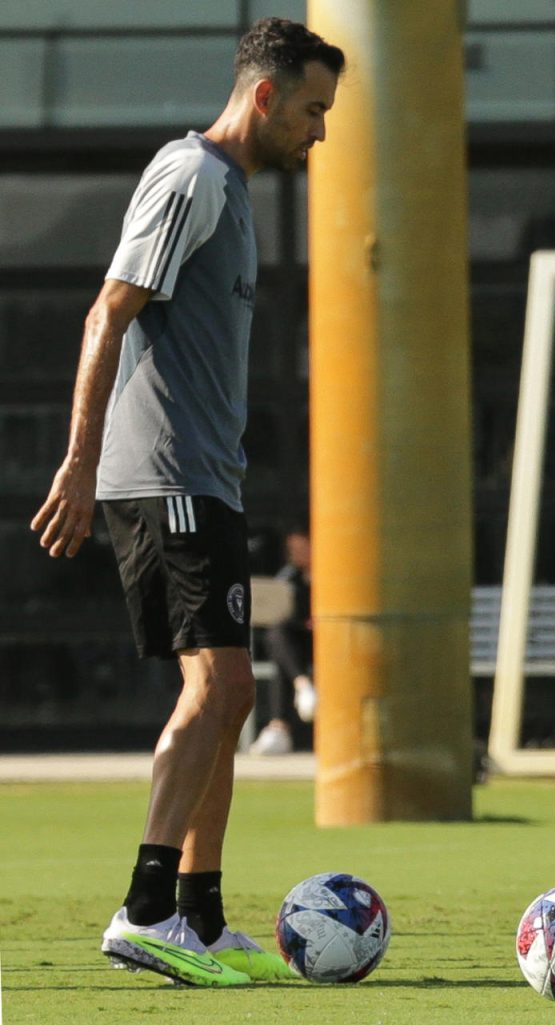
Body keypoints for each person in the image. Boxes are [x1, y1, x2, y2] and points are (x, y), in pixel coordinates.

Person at [29, 18, 343, 986]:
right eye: (313, 110)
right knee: (216, 686)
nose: (320, 132)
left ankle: (198, 914)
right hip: (163, 475)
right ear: (263, 96)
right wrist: (79, 462)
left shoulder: (235, 194)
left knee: (235, 688)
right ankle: (146, 905)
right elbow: (107, 310)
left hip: (203, 477)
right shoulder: (194, 178)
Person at [249, 528, 315, 755]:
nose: (297, 554)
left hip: (330, 640)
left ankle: (279, 728)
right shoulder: (289, 576)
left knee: (283, 659)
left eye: (302, 548)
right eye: (293, 550)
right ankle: (303, 686)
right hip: (299, 641)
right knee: (278, 637)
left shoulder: (334, 573)